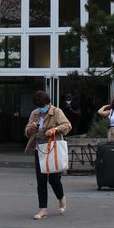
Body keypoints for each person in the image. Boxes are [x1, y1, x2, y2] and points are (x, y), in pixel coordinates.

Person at [25, 89, 72, 220]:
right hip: (40, 148)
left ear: (48, 103)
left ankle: (61, 197)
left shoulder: (56, 112)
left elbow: (67, 125)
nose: (42, 109)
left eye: (43, 106)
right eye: (39, 107)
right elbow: (27, 132)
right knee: (41, 180)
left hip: (54, 147)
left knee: (54, 179)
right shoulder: (35, 113)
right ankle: (43, 209)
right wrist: (31, 128)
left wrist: (54, 129)